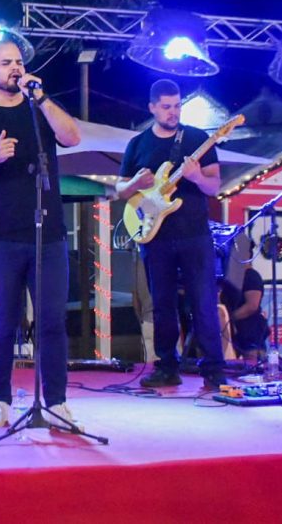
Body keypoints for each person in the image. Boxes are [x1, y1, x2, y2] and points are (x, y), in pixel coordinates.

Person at [0, 39, 82, 428]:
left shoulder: (40, 110)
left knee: (52, 321)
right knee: (3, 321)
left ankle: (57, 402)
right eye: (6, 63)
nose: (15, 68)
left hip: (48, 233)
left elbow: (72, 137)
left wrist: (41, 97)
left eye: (19, 62)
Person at [117, 78, 227, 390]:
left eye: (177, 106)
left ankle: (213, 369)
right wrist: (136, 184)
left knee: (203, 302)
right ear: (152, 107)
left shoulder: (198, 138)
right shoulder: (138, 144)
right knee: (162, 304)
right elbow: (121, 189)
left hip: (194, 235)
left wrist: (196, 176)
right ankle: (166, 366)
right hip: (156, 236)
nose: (173, 112)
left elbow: (214, 186)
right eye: (166, 107)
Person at [218, 233, 267, 361]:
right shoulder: (231, 278)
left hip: (249, 329)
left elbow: (252, 306)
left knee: (252, 363)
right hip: (233, 329)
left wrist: (228, 319)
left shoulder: (251, 276)